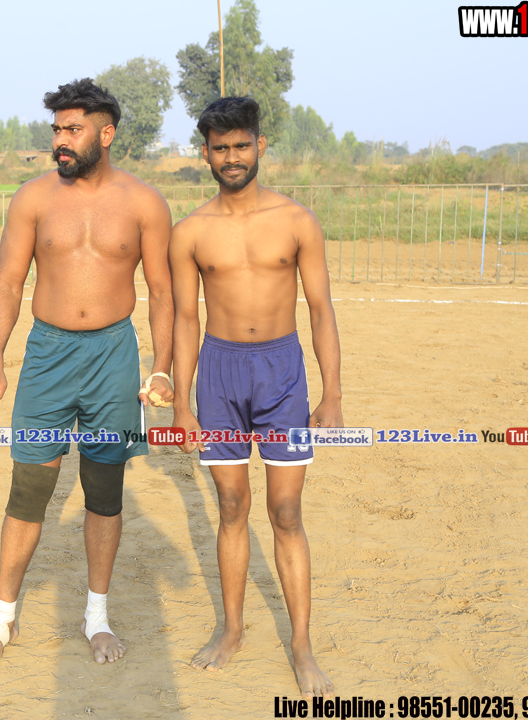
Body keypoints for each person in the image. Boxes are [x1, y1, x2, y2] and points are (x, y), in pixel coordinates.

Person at [0, 78, 174, 669]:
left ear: (105, 134)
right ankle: (2, 619)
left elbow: (163, 293)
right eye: (56, 129)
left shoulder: (144, 203)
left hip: (113, 355)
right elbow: (7, 284)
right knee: (30, 487)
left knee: (104, 490)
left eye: (72, 129)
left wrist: (161, 369)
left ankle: (97, 618)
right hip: (48, 355)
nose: (60, 139)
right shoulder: (32, 199)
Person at [169, 97, 341, 697]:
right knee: (231, 505)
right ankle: (233, 630)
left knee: (286, 511)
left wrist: (332, 395)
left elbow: (321, 309)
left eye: (241, 145)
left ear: (260, 146)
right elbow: (184, 319)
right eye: (220, 148)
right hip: (218, 373)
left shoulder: (297, 221)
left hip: (282, 372)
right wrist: (182, 406)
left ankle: (301, 644)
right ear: (205, 154)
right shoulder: (190, 232)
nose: (232, 157)